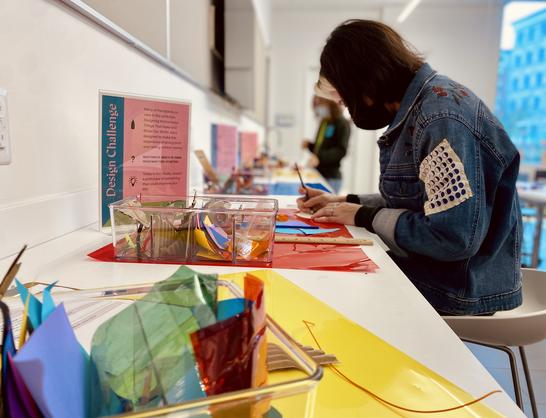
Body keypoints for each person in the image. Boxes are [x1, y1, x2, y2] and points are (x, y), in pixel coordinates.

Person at [297, 20, 522, 316]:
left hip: (457, 286)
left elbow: (452, 237)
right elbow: (424, 201)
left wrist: (364, 215)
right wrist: (347, 202)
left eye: (345, 99)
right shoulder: (422, 108)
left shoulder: (440, 120)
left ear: (366, 82)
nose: (348, 111)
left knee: (328, 289)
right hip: (440, 273)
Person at [302, 95, 350, 193]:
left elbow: (341, 151)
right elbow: (320, 148)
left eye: (320, 104)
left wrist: (319, 158)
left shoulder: (342, 123)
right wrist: (310, 145)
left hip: (331, 177)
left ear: (330, 103)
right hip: (318, 173)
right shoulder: (325, 122)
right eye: (315, 105)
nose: (318, 107)